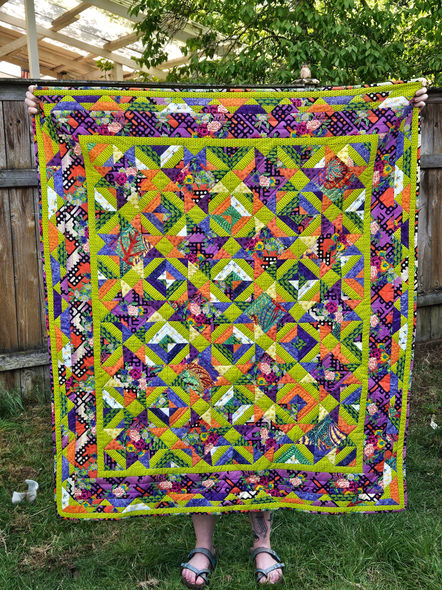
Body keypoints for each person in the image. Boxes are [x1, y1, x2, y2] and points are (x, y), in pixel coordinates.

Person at [25, 80, 428, 588]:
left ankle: (262, 542)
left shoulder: (270, 169)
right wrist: (54, 113)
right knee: (199, 422)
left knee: (266, 422)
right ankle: (204, 544)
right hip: (194, 313)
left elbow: (322, 191)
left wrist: (397, 110)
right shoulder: (191, 176)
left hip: (268, 310)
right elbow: (136, 196)